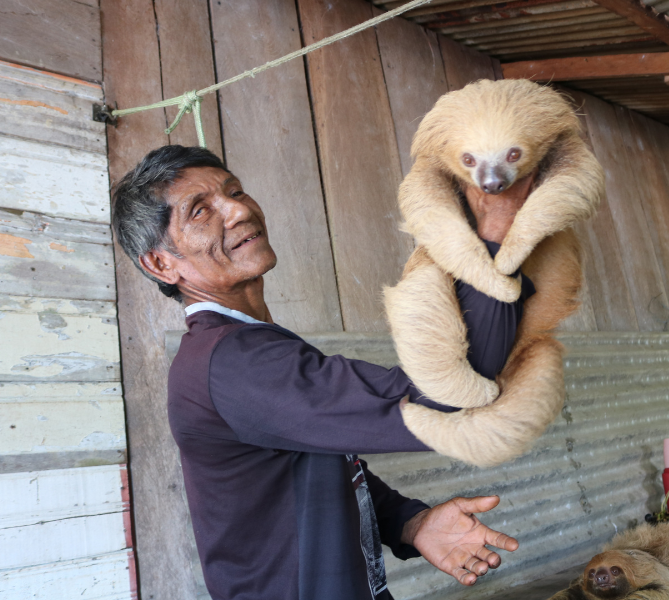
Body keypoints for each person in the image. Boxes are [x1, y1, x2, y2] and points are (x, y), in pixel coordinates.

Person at [111, 145, 534, 600]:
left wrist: (412, 523)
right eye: (200, 211)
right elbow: (447, 395)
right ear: (160, 263)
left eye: (235, 191)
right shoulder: (233, 364)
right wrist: (493, 234)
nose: (237, 210)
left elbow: (313, 466)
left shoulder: (246, 345)